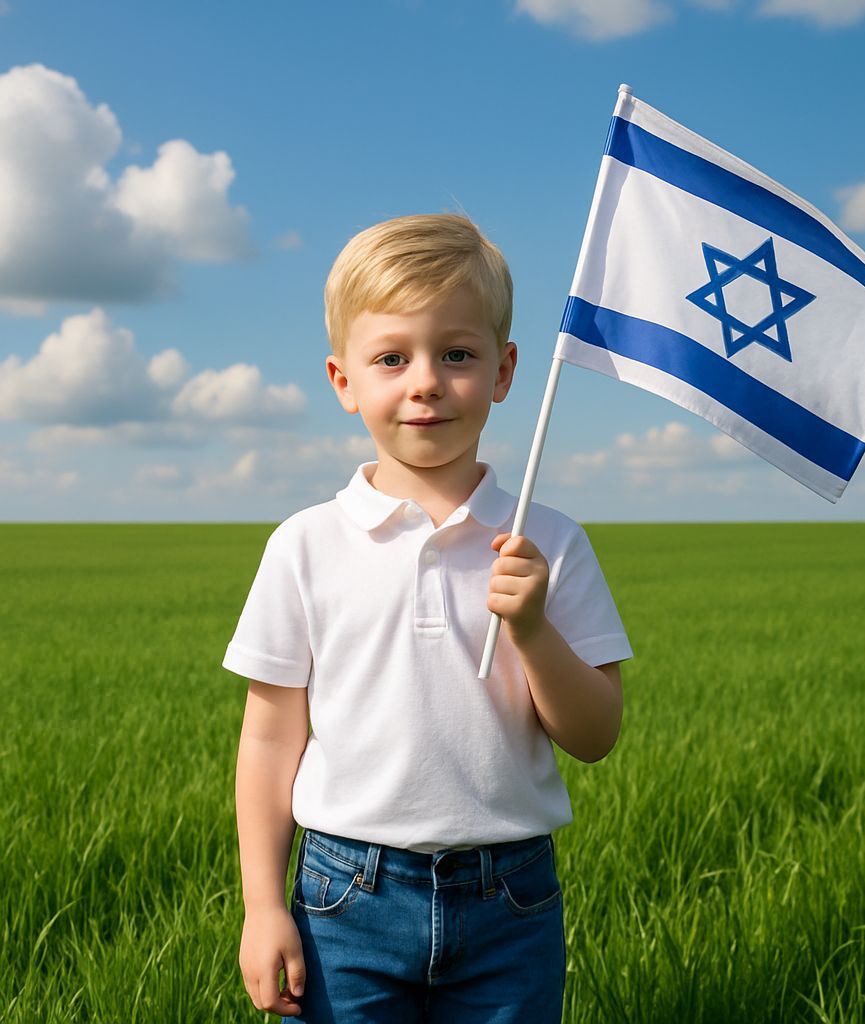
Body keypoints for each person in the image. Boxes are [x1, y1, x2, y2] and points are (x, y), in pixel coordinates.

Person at [223, 212, 633, 1023]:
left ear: (505, 369)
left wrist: (533, 630)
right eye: (391, 358)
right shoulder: (305, 545)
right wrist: (264, 907)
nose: (426, 381)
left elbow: (596, 735)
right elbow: (270, 741)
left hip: (509, 900)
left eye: (457, 354)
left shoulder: (547, 541)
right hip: (346, 899)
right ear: (344, 381)